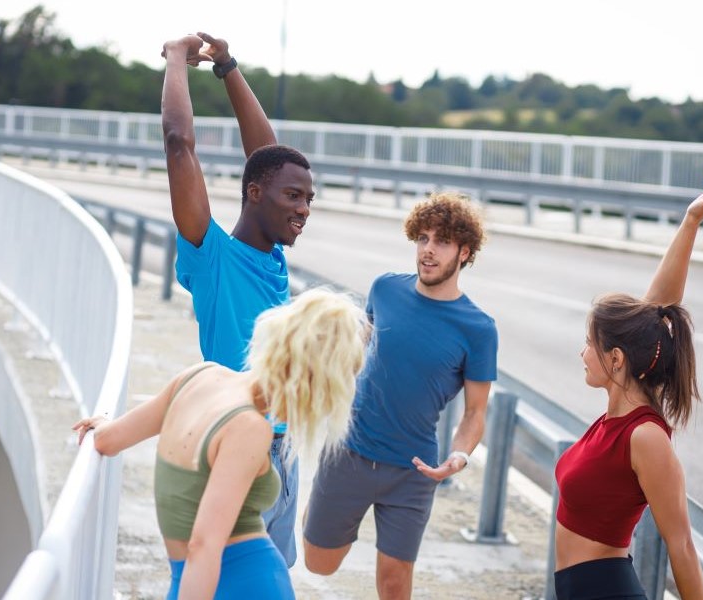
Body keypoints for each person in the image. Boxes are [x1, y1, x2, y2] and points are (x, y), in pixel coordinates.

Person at [73, 288, 369, 599]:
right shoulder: (250, 427)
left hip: (192, 580)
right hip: (236, 584)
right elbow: (203, 544)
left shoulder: (199, 376)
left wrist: (102, 425)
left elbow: (108, 440)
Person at [161, 32, 314, 567]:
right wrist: (177, 58)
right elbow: (180, 142)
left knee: (272, 576)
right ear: (256, 195)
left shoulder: (272, 256)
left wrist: (227, 66)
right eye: (293, 197)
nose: (304, 210)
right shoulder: (212, 256)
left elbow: (266, 158)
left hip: (283, 446)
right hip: (234, 443)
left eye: (308, 199)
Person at [303, 192, 499, 599]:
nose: (428, 250)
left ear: (464, 252)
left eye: (442, 242)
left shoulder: (479, 329)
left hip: (414, 469)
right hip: (350, 451)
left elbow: (476, 413)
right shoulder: (385, 289)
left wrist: (458, 457)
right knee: (318, 563)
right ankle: (321, 512)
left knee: (394, 583)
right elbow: (360, 353)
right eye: (423, 238)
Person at [553, 167, 703, 600]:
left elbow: (682, 544)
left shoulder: (645, 436)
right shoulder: (616, 417)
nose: (581, 353)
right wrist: (691, 221)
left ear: (616, 359)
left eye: (588, 344)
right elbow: (653, 313)